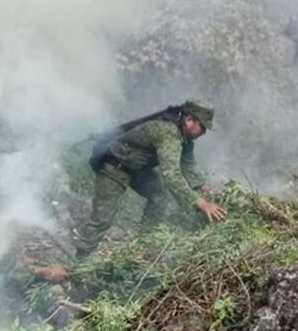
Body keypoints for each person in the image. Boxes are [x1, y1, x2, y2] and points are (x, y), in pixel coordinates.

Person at [74, 100, 226, 258]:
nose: (204, 133)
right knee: (103, 219)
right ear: (189, 120)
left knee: (160, 195)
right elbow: (172, 176)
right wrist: (202, 204)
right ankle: (80, 261)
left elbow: (189, 168)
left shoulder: (185, 139)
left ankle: (144, 243)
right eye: (202, 127)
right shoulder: (168, 133)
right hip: (114, 168)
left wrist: (203, 189)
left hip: (137, 170)